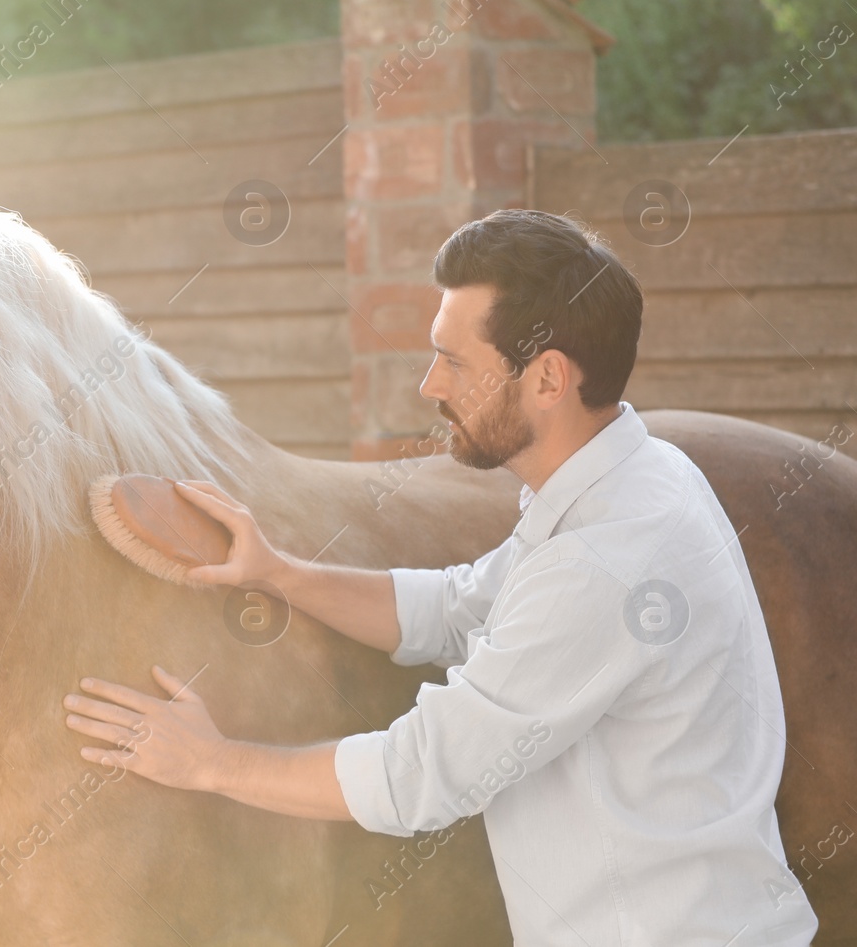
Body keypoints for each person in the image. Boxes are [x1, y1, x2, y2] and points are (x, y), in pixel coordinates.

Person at [63, 210, 817, 945]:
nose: (430, 384)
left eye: (455, 362)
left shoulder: (608, 556)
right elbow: (460, 607)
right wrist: (279, 571)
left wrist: (212, 761)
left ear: (548, 378)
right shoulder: (632, 479)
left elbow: (421, 772)